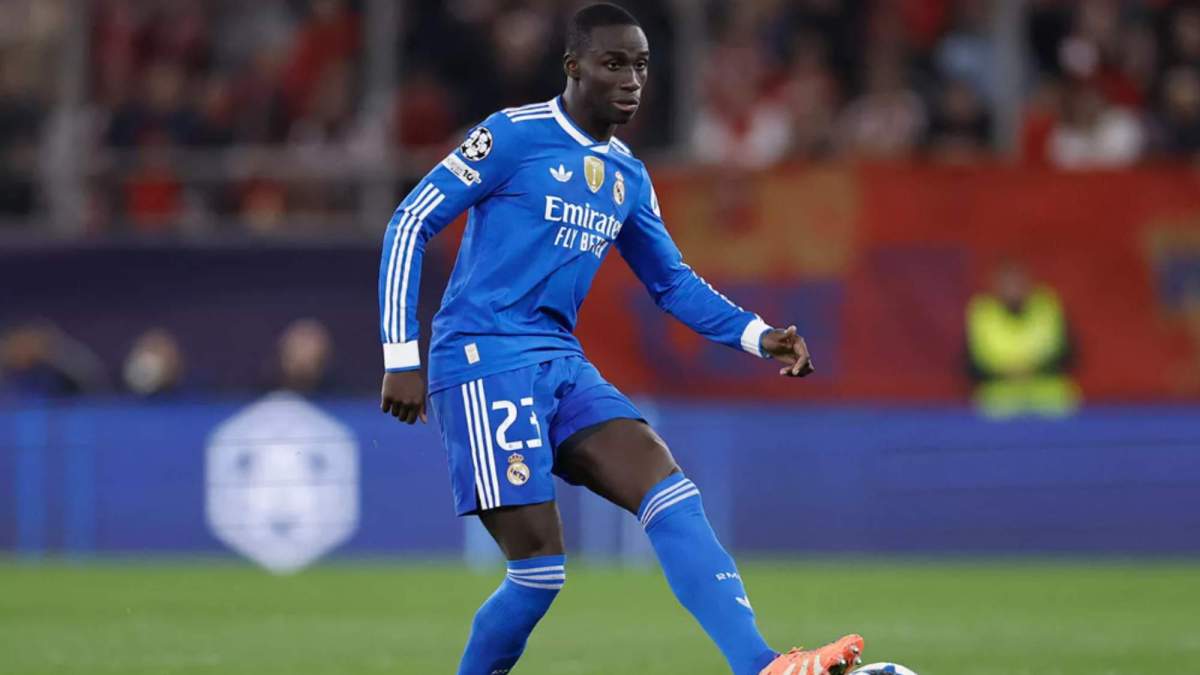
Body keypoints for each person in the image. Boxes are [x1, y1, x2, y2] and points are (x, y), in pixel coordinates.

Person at [377, 5, 863, 675]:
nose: (631, 78)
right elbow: (409, 223)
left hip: (560, 362)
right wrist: (400, 354)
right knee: (538, 572)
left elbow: (672, 282)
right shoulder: (513, 136)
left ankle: (760, 665)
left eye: (640, 64)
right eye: (613, 63)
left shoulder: (627, 176)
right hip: (484, 357)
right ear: (574, 67)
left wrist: (757, 334)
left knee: (667, 485)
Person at [966, 261, 1081, 418]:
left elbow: (1069, 355)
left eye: (1017, 282)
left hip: (1050, 405)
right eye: (1007, 283)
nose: (1013, 288)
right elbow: (970, 364)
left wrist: (1034, 370)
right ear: (995, 285)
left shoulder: (1047, 307)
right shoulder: (983, 313)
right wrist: (1005, 373)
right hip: (998, 408)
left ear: (1029, 282)